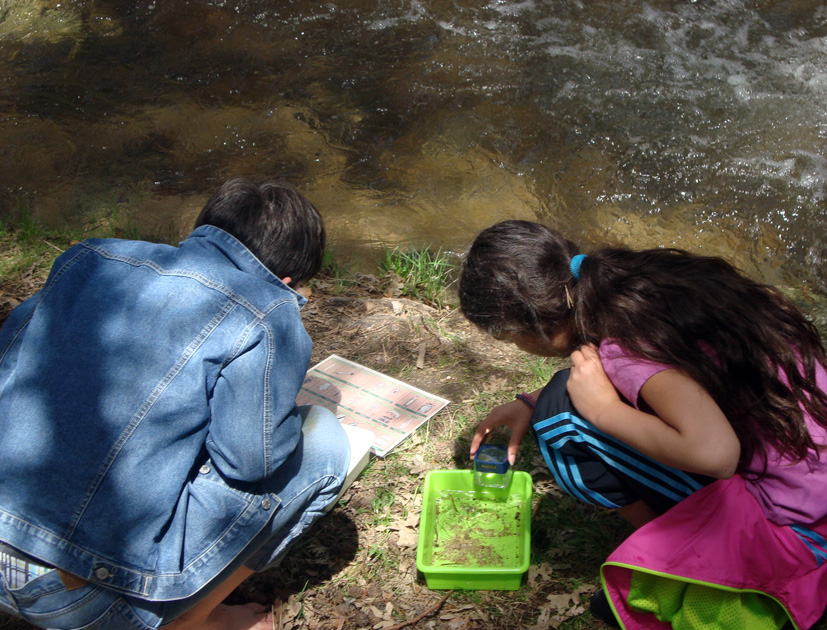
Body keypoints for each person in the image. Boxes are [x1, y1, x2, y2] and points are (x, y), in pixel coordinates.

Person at [0, 178, 350, 630]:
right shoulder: (267, 310)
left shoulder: (89, 256)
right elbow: (251, 465)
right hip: (78, 599)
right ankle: (193, 620)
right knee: (323, 441)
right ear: (287, 282)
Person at [459, 220, 827, 630]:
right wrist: (528, 400)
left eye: (511, 340)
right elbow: (683, 382)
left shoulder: (626, 344)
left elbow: (716, 454)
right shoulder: (633, 282)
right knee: (556, 396)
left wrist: (602, 412)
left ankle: (675, 562)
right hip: (812, 465)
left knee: (558, 416)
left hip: (795, 526)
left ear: (525, 325)